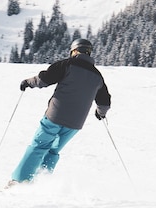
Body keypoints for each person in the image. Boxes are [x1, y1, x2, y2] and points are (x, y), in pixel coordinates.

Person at [10, 38, 111, 184]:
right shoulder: (98, 76)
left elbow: (44, 79)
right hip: (75, 123)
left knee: (39, 146)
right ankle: (40, 182)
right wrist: (100, 113)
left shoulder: (67, 64)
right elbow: (104, 101)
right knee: (53, 151)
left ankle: (19, 182)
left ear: (74, 51)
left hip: (55, 116)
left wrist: (28, 82)